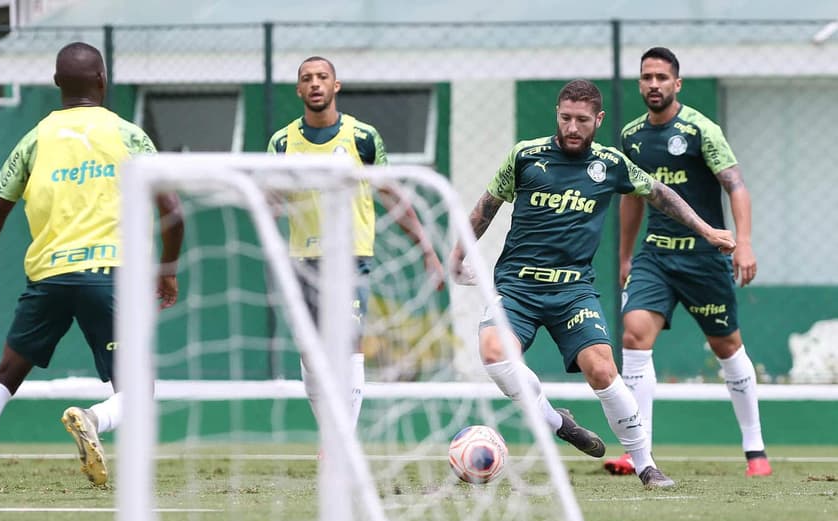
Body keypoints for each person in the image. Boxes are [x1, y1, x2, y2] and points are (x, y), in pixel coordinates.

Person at [0, 42, 185, 499]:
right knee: (137, 388)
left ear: (57, 83)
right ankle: (94, 419)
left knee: (6, 373)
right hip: (108, 276)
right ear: (103, 79)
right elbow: (173, 212)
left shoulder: (33, 140)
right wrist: (167, 268)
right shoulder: (129, 136)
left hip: (48, 278)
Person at [450, 79, 737, 488]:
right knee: (495, 354)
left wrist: (707, 230)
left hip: (573, 292)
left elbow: (660, 193)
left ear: (598, 119)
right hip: (517, 288)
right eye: (566, 118)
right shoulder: (525, 156)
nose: (572, 127)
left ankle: (645, 465)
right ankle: (557, 422)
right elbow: (486, 208)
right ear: (557, 114)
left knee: (602, 369)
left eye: (582, 120)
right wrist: (456, 256)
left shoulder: (611, 163)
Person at [603, 47, 771, 478]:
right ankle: (639, 452)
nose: (653, 84)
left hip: (704, 259)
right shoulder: (631, 136)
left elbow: (736, 185)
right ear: (639, 84)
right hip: (656, 255)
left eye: (661, 77)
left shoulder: (700, 130)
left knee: (726, 346)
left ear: (677, 84)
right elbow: (632, 198)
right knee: (634, 335)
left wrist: (744, 243)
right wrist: (625, 255)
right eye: (646, 77)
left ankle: (755, 449)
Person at [267, 56, 445, 434]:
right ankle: (330, 434)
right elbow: (271, 202)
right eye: (307, 78)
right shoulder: (282, 142)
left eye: (322, 77)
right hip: (304, 258)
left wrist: (427, 249)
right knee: (311, 353)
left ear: (336, 86)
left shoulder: (362, 138)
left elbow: (391, 195)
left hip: (351, 256)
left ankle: (341, 442)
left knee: (349, 343)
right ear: (299, 90)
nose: (315, 83)